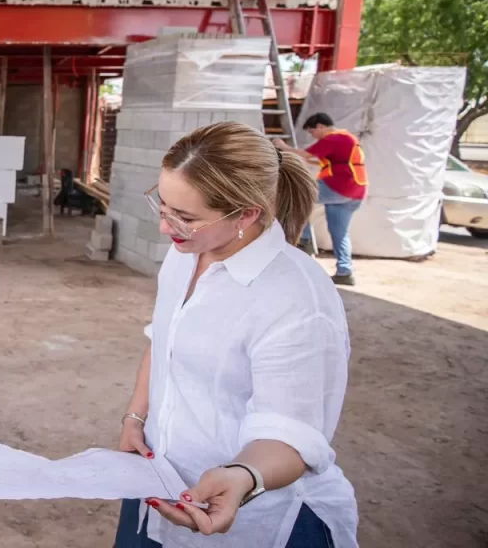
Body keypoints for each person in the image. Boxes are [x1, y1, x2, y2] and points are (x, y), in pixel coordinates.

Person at [115, 122, 357, 548]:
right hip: (161, 482)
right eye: (163, 205)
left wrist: (242, 477)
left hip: (251, 519)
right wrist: (137, 417)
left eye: (186, 218)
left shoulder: (296, 299)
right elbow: (164, 341)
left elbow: (291, 436)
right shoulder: (185, 256)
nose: (165, 228)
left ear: (247, 213)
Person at [275, 113, 367, 286]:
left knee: (299, 197)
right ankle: (344, 272)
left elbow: (306, 155)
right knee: (340, 233)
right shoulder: (348, 138)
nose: (313, 136)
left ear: (320, 126)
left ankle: (304, 239)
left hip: (339, 186)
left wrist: (282, 146)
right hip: (355, 191)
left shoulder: (333, 138)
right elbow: (331, 161)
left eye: (312, 132)